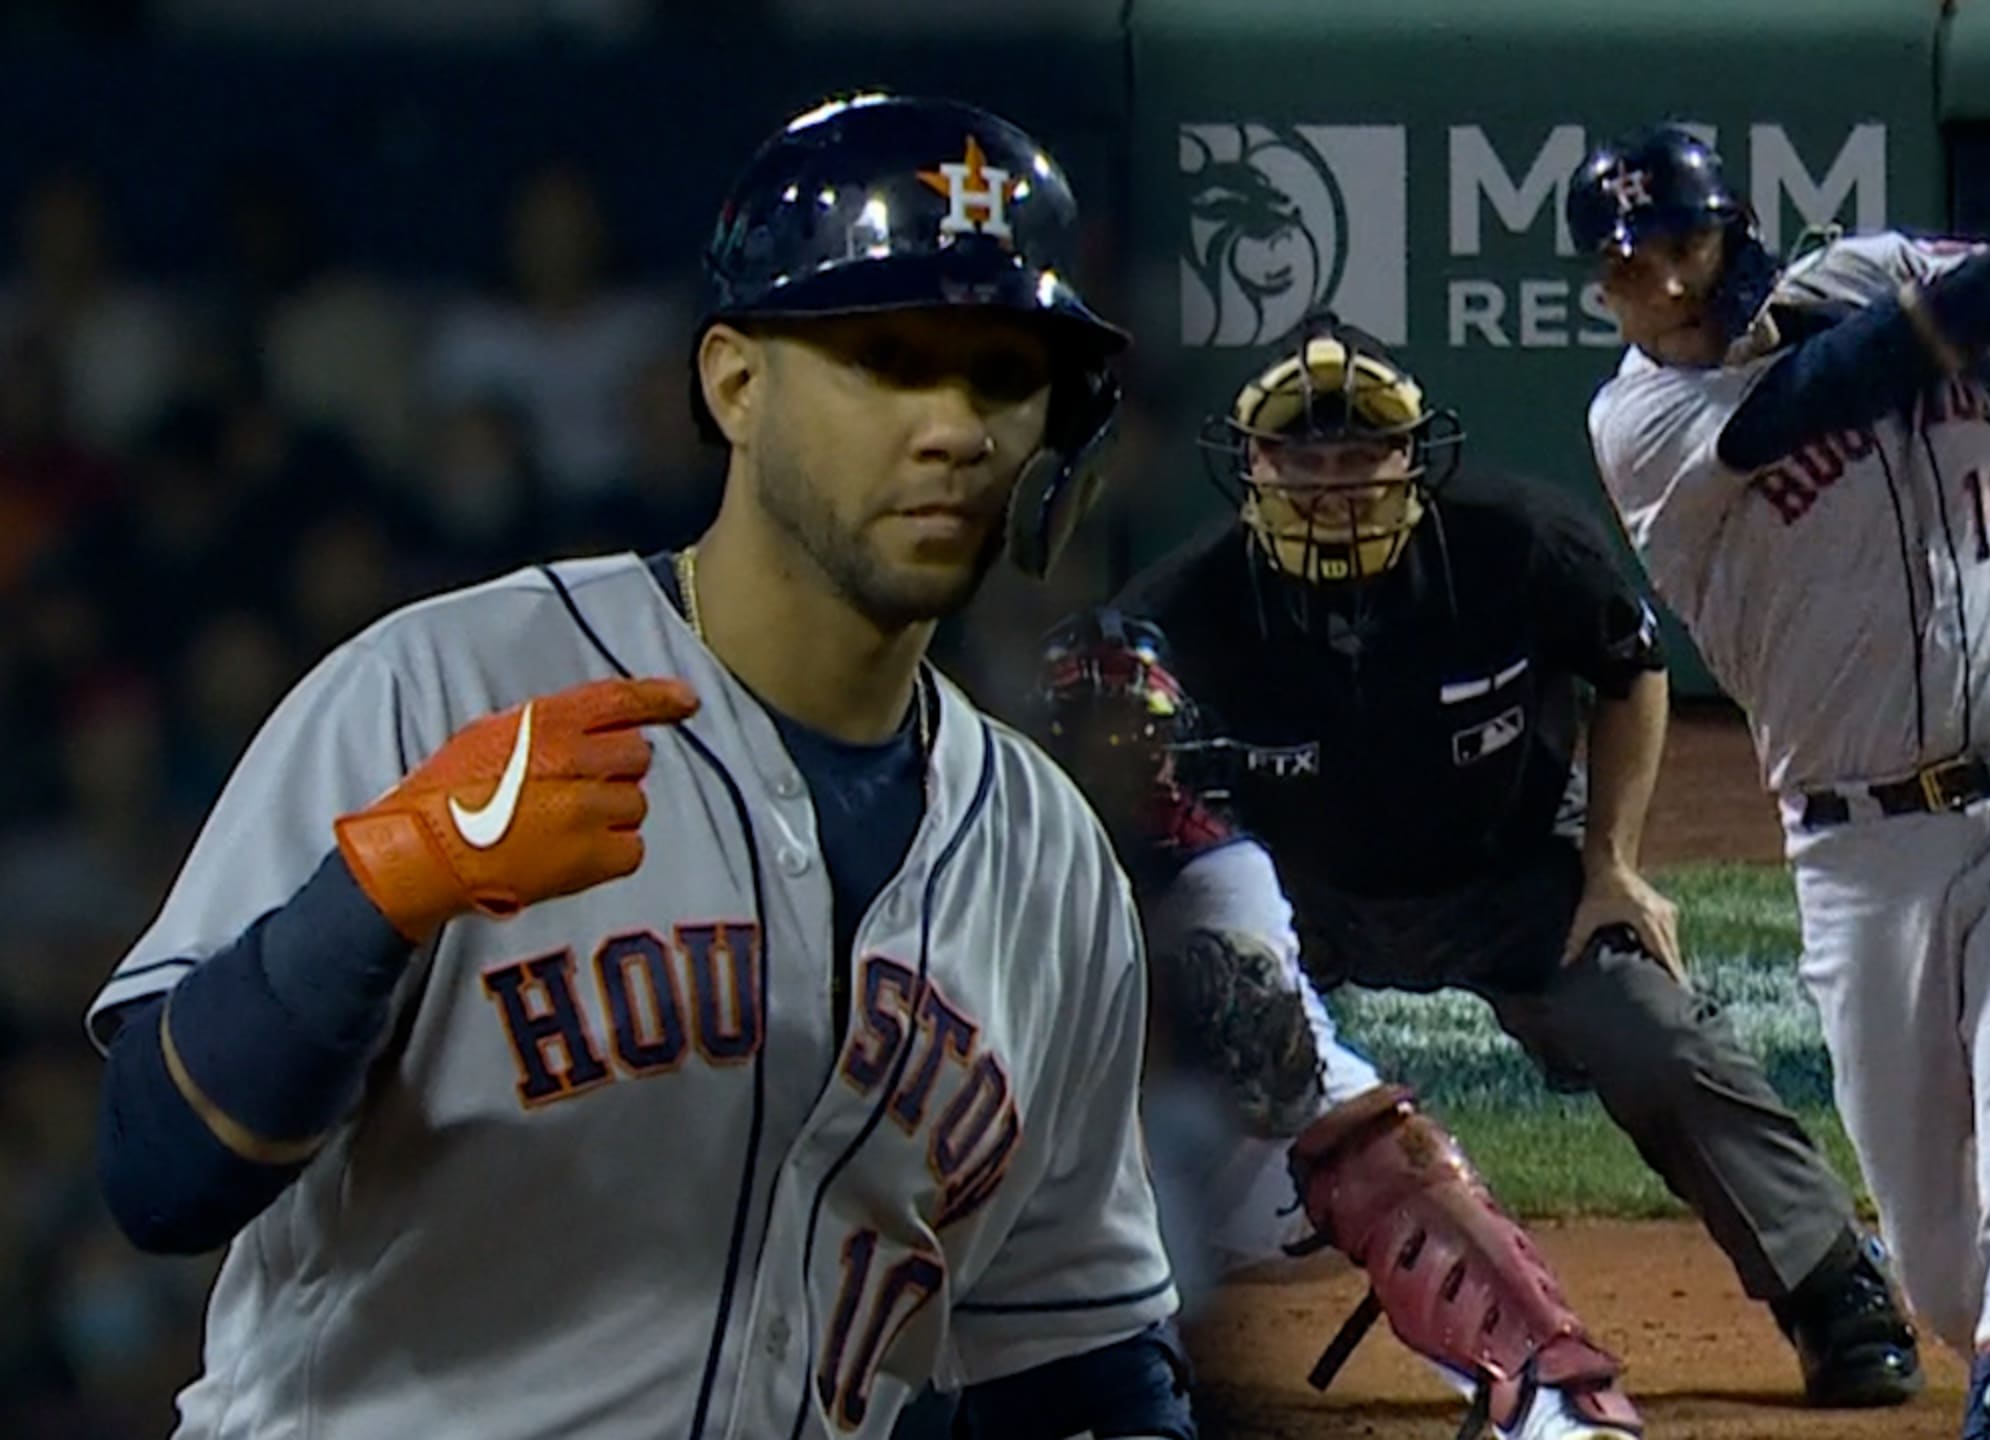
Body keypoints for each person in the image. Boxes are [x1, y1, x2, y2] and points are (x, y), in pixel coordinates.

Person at [83, 93, 1194, 1440]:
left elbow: (1075, 1359)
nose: (955, 428)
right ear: (734, 384)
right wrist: (380, 896)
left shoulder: (1049, 859)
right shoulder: (449, 682)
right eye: (888, 359)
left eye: (1002, 377)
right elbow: (159, 1170)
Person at [1103, 312, 1926, 1414]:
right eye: (1302, 457)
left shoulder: (1517, 543)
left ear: (1413, 458)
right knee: (1134, 1051)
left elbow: (1628, 669)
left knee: (1651, 1031)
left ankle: (1834, 1290)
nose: (1333, 484)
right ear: (1249, 465)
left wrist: (1613, 866)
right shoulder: (1178, 611)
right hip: (1296, 897)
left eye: (1361, 453)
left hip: (1512, 864)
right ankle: (1116, 1328)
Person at [1568, 123, 1990, 1440]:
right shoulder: (1637, 422)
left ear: (1735, 231)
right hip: (1862, 861)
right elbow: (1845, 379)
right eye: (1626, 269)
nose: (1663, 286)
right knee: (1945, 1277)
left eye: (1680, 246)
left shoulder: (1878, 270)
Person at [1027, 608, 1643, 1440]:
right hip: (1039, 1206)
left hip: (1233, 1181)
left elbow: (1274, 1097)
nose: (1134, 774)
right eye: (1101, 747)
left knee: (1388, 1152)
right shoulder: (975, 867)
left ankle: (1551, 1397)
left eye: (1145, 742)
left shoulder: (1213, 872)